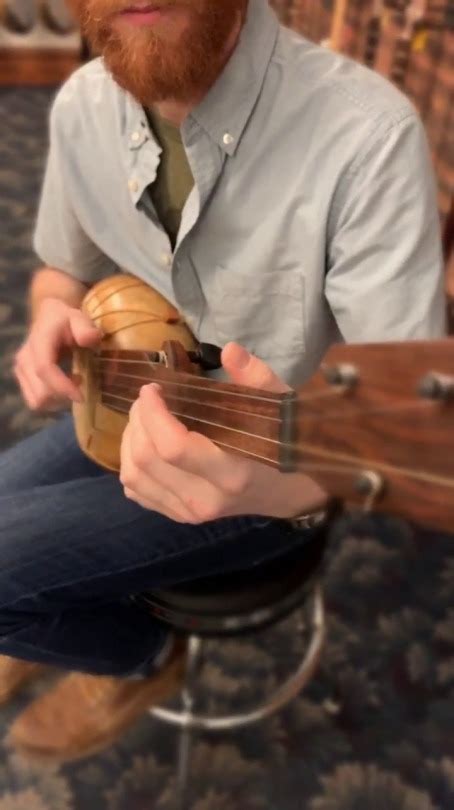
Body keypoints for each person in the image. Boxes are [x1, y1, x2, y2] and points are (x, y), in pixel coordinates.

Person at [0, 0, 445, 763]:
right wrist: (48, 317)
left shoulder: (368, 136)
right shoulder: (81, 105)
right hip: (119, 403)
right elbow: (61, 271)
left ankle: (139, 656)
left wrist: (283, 487)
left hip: (280, 466)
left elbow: (402, 435)